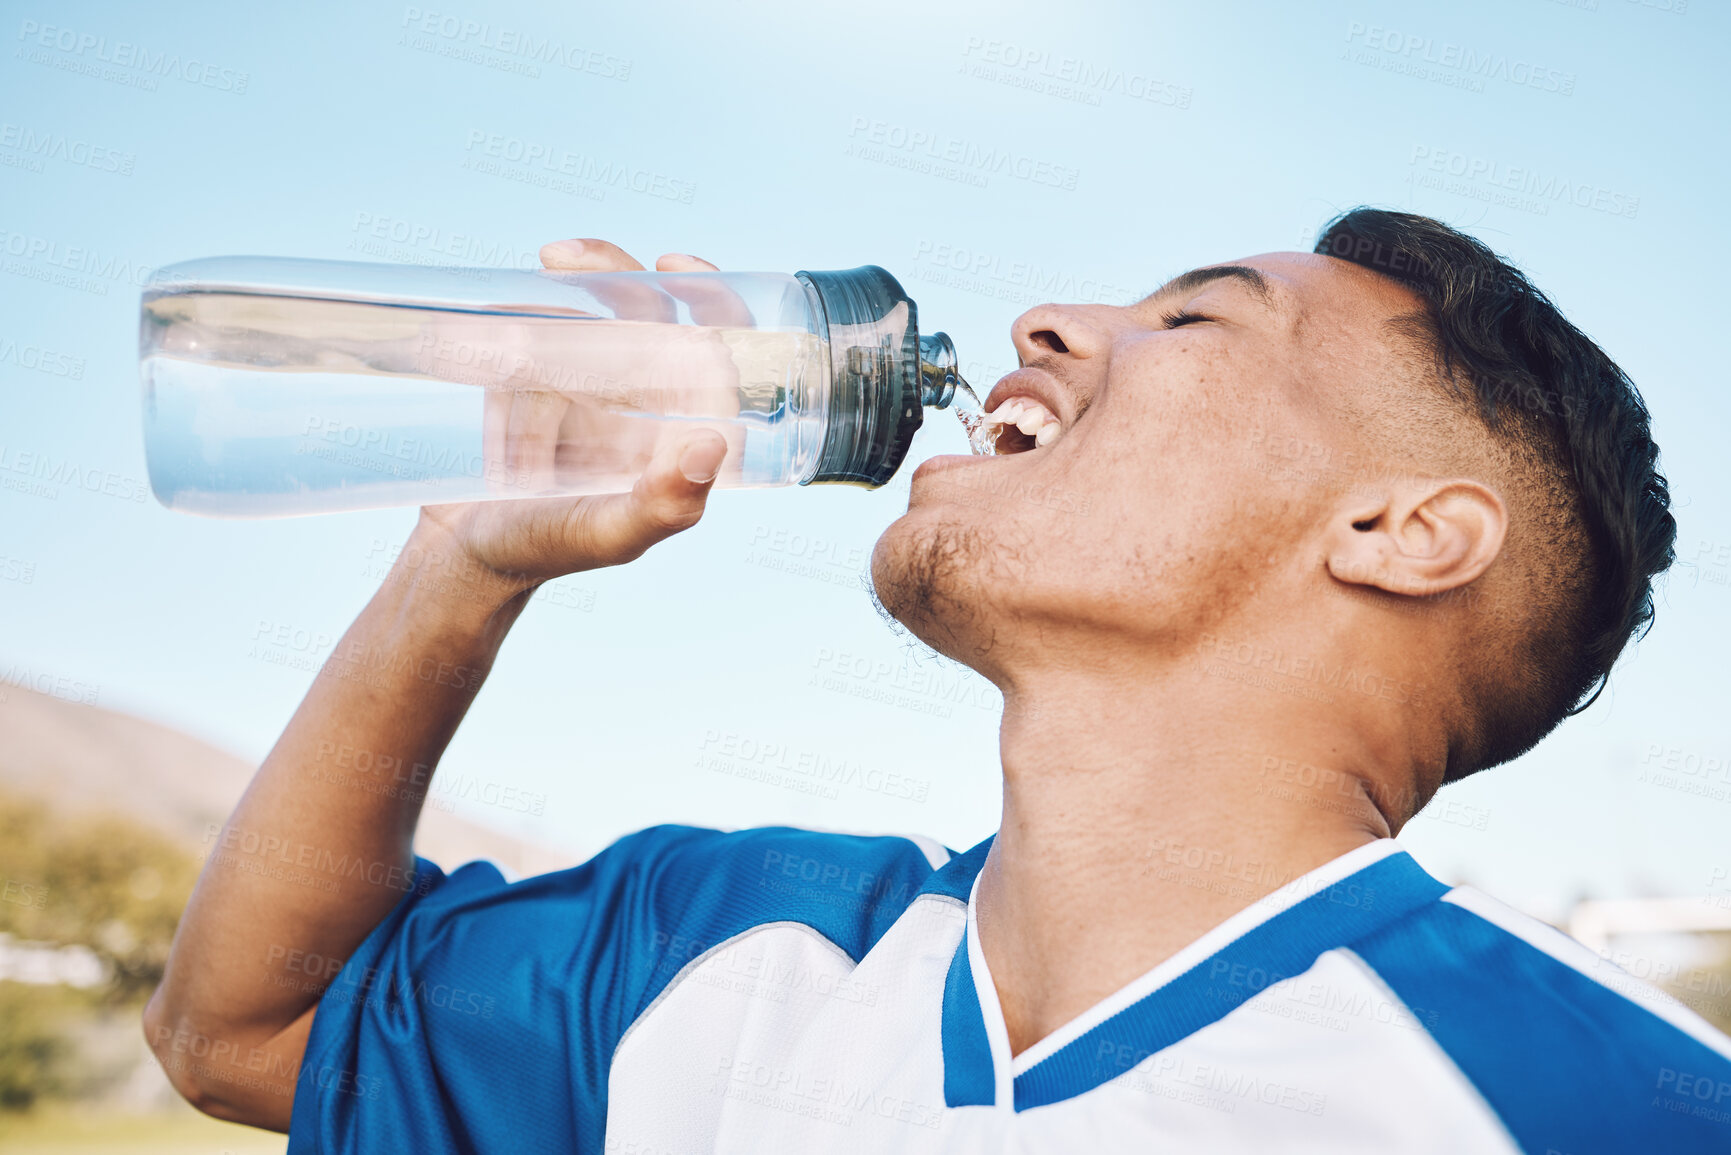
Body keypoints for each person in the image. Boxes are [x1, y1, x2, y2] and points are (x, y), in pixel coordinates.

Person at [144, 209, 1731, 1153]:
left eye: (1192, 319)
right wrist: (464, 564)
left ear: (1401, 531)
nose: (1048, 321)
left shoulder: (1607, 1105)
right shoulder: (715, 951)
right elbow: (244, 1035)